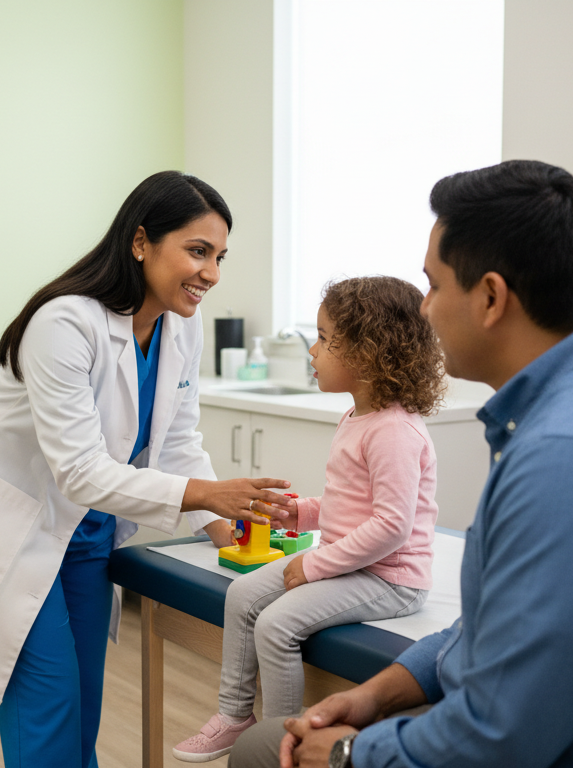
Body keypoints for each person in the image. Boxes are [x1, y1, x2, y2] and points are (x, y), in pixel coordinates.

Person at [231, 160, 573, 768]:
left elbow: (503, 737)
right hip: (560, 732)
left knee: (265, 751)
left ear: (492, 298)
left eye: (435, 286)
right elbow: (496, 630)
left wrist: (349, 754)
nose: (423, 310)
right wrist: (377, 694)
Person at [0, 171, 298, 768]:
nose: (211, 272)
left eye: (218, 256)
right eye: (197, 250)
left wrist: (240, 537)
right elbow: (80, 471)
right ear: (141, 242)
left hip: (85, 534)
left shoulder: (179, 328)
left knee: (83, 707)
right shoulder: (64, 323)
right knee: (49, 706)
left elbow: (179, 442)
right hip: (11, 529)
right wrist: (211, 495)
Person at [172, 276, 445, 763]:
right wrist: (301, 514)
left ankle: (283, 739)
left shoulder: (394, 431)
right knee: (242, 593)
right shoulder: (357, 417)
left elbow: (392, 527)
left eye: (324, 338)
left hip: (392, 577)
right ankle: (236, 716)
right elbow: (352, 506)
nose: (312, 350)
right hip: (353, 562)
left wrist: (314, 567)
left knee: (276, 624)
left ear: (366, 353)